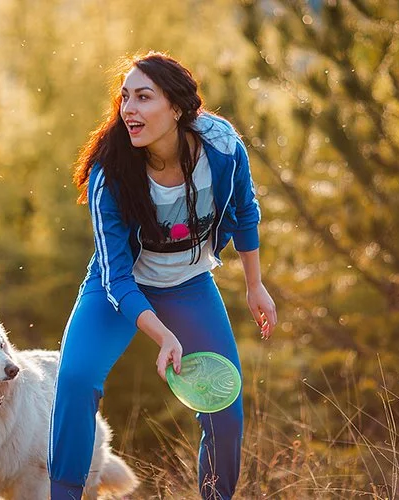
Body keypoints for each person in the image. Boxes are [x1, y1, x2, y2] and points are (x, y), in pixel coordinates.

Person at [47, 51, 278, 499]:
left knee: (224, 404)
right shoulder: (109, 175)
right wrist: (163, 335)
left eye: (143, 98)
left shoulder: (223, 148)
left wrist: (255, 285)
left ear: (176, 108)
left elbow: (245, 211)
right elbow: (116, 279)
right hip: (118, 289)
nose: (128, 110)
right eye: (125, 98)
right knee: (75, 380)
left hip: (189, 285)